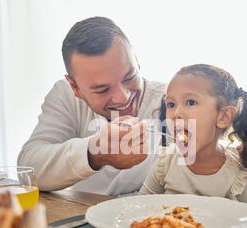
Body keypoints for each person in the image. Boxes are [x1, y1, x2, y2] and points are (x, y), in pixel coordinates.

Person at [18, 17, 165, 195]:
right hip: (81, 216)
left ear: (137, 60)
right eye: (102, 89)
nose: (122, 97)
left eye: (129, 77)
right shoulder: (65, 96)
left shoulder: (172, 101)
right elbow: (29, 170)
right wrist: (94, 153)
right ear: (75, 87)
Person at [139, 64, 247, 205]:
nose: (176, 113)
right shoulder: (165, 162)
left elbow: (246, 222)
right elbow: (140, 207)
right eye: (171, 104)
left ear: (223, 117)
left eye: (190, 102)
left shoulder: (239, 173)